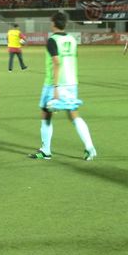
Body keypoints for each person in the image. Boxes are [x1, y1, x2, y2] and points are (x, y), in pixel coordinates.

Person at [28, 11, 96, 161]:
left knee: (46, 114)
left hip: (55, 84)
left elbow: (57, 63)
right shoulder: (72, 39)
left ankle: (46, 151)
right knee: (74, 114)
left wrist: (56, 87)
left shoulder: (52, 40)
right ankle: (89, 146)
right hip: (72, 83)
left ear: (53, 23)